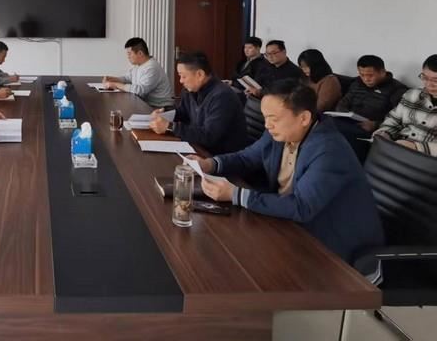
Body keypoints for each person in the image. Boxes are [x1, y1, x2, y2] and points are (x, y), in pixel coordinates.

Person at [189, 80, 384, 270]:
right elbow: (247, 158)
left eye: (274, 119)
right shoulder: (282, 133)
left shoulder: (329, 150)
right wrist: (210, 164)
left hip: (334, 249)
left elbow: (302, 206)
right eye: (265, 118)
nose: (267, 125)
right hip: (291, 226)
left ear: (304, 118)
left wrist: (236, 194)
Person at [149, 52, 248, 155]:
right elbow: (184, 112)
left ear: (200, 74)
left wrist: (170, 127)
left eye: (183, 76)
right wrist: (165, 112)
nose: (181, 81)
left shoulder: (222, 96)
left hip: (220, 157)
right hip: (198, 147)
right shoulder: (191, 90)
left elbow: (209, 136)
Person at [333, 55, 407, 161]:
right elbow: (344, 102)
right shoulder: (357, 83)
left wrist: (375, 124)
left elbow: (398, 119)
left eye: (370, 75)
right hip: (348, 122)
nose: (366, 79)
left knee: (341, 138)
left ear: (382, 72)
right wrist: (342, 114)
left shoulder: (396, 89)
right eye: (362, 75)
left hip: (370, 129)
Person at [373, 54, 437, 155]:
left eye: (435, 80)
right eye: (425, 77)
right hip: (395, 148)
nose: (428, 84)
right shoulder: (412, 94)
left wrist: (416, 147)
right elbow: (394, 119)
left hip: (426, 158)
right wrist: (385, 133)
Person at [102, 38, 174, 109]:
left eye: (129, 54)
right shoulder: (139, 65)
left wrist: (116, 84)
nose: (128, 57)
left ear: (140, 53)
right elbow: (127, 78)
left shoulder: (151, 68)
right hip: (146, 104)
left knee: (120, 109)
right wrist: (113, 79)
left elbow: (140, 91)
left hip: (159, 107)